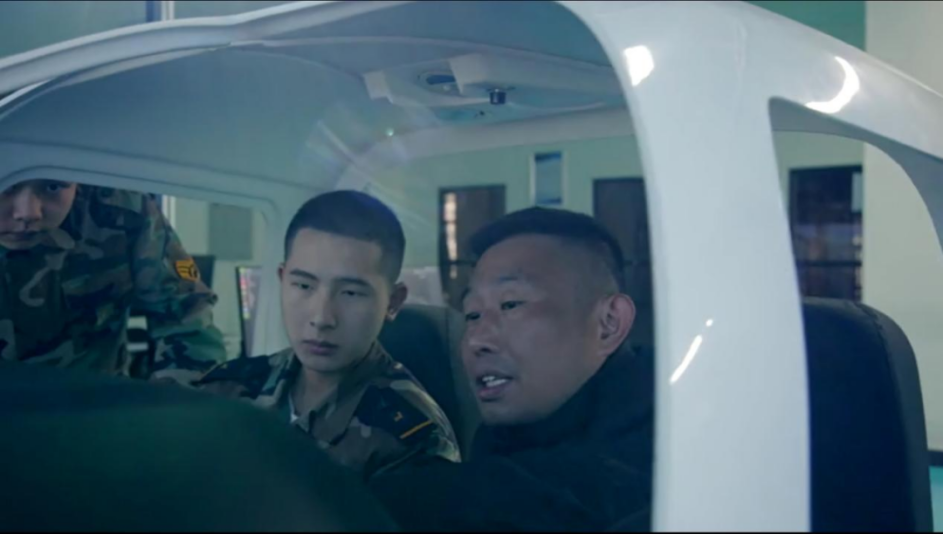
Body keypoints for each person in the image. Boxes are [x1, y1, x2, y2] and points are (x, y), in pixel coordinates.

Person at [368, 207, 654, 531]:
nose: (476, 340)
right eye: (472, 315)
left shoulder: (663, 452)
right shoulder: (509, 434)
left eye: (510, 305)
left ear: (609, 323)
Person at [194, 190, 460, 479]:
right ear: (282, 280)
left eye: (350, 293)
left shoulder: (409, 442)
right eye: (303, 286)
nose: (321, 318)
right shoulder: (228, 389)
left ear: (393, 302)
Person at [0, 179, 226, 383]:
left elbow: (186, 318)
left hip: (94, 403)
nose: (28, 213)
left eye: (53, 186)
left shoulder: (123, 211)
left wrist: (174, 402)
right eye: (6, 185)